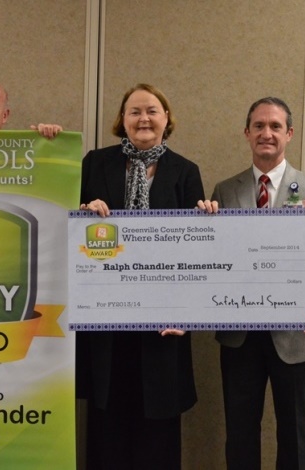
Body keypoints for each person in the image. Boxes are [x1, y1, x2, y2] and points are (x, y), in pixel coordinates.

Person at [197, 97, 305, 469]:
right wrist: (203, 228)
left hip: (295, 335)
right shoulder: (224, 191)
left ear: (289, 134)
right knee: (240, 434)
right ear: (247, 133)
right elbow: (215, 258)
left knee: (295, 435)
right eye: (259, 126)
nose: (267, 133)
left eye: (275, 126)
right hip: (239, 335)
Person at [79, 83, 203, 469]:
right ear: (123, 119)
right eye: (134, 111)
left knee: (158, 439)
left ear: (166, 119)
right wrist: (82, 213)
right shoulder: (95, 164)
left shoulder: (186, 172)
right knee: (107, 434)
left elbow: (197, 253)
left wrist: (187, 311)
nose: (143, 118)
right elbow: (68, 230)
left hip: (162, 327)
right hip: (107, 324)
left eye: (152, 111)